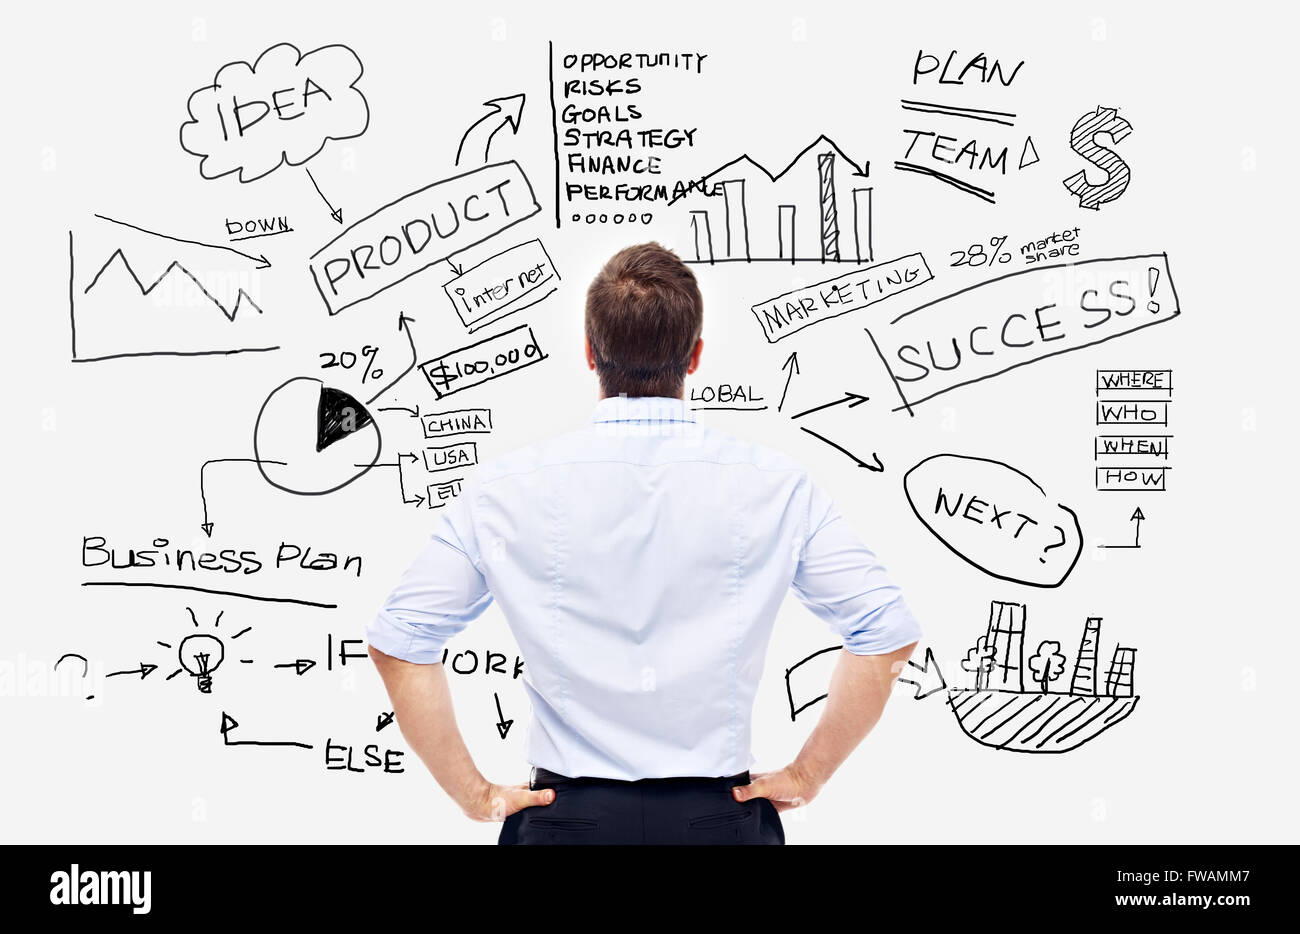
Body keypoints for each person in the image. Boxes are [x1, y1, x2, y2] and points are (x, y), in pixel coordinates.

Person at [366, 242, 921, 845]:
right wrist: (807, 776)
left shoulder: (503, 489)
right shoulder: (777, 486)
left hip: (564, 824)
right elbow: (886, 629)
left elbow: (400, 640)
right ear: (696, 356)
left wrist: (474, 795)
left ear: (588, 353)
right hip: (719, 822)